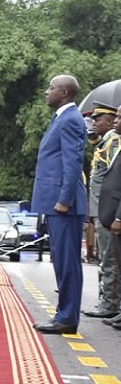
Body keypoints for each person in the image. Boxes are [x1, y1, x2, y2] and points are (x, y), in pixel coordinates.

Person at [31, 75, 87, 335]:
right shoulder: (62, 118)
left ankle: (66, 317)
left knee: (67, 263)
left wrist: (64, 199)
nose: (46, 91)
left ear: (64, 92)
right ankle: (64, 315)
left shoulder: (70, 120)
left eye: (51, 87)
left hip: (64, 204)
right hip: (57, 203)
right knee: (62, 262)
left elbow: (73, 163)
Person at [82, 101, 121, 319]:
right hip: (101, 209)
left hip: (109, 211)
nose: (95, 123)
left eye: (99, 120)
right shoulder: (106, 140)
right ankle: (107, 302)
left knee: (110, 260)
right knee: (106, 260)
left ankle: (110, 305)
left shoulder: (115, 141)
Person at [97, 103, 121, 330]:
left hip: (116, 215)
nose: (116, 121)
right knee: (112, 261)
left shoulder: (115, 142)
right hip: (108, 212)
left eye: (119, 118)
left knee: (114, 262)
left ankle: (113, 305)